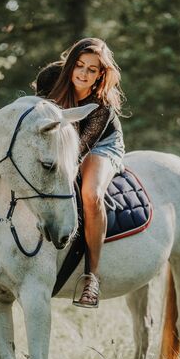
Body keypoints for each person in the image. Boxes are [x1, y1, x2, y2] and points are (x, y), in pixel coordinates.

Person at [33, 38, 125, 308]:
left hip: (100, 144)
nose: (83, 74)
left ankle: (91, 277)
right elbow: (36, 119)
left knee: (90, 192)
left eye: (92, 69)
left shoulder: (102, 106)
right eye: (79, 66)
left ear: (101, 74)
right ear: (70, 64)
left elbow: (77, 152)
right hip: (61, 136)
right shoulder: (50, 79)